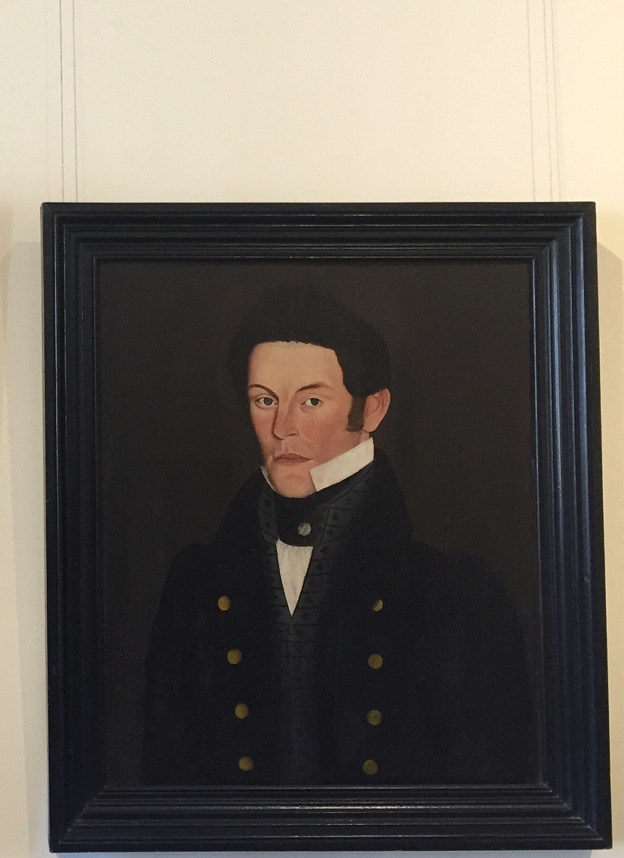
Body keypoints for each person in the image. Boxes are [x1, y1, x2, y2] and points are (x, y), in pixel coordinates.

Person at [141, 284, 537, 785]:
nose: (282, 427)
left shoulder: (458, 593)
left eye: (311, 400)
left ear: (371, 410)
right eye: (265, 400)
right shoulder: (195, 583)